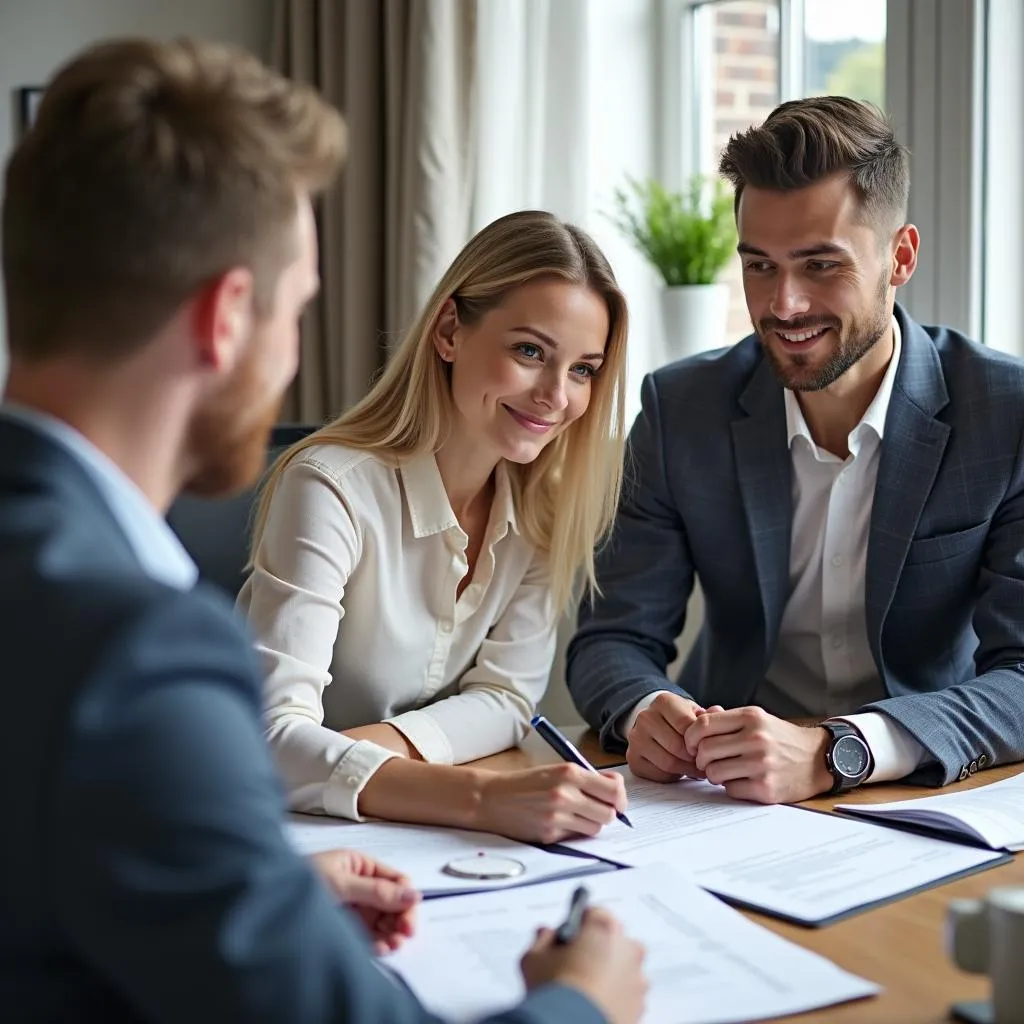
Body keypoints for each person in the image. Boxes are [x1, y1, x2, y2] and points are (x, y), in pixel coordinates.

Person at [0, 37, 647, 1023]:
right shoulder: (141, 656)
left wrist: (264, 888)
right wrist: (579, 1003)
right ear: (228, 317)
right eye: (298, 309)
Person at [567, 96, 1024, 805]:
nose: (783, 305)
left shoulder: (1006, 414)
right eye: (759, 266)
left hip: (924, 787)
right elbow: (611, 639)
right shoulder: (679, 408)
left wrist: (842, 749)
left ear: (900, 257)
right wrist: (644, 709)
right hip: (722, 794)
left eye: (819, 266)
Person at [237, 210, 631, 843]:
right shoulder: (330, 487)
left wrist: (370, 753)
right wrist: (479, 798)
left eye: (583, 369)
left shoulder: (543, 512)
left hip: (396, 829)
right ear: (449, 330)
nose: (557, 396)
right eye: (530, 351)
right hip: (291, 841)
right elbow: (270, 737)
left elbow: (507, 701)